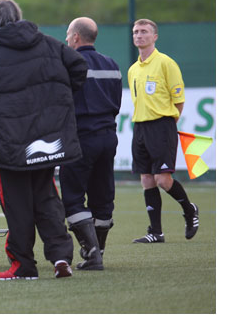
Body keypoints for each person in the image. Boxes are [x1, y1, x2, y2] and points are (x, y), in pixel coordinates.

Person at [0, 0, 86, 280]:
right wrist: (57, 102)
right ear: (19, 17)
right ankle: (61, 257)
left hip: (9, 142)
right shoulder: (48, 43)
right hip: (45, 139)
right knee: (47, 198)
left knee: (17, 206)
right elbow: (79, 66)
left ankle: (23, 265)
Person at [59, 17, 122, 271]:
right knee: (103, 197)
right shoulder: (112, 64)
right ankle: (99, 251)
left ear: (76, 37)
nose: (66, 39)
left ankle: (92, 253)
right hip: (108, 137)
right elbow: (117, 102)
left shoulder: (69, 65)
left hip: (81, 138)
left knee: (72, 198)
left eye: (68, 34)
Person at [129, 18, 199, 243]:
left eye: (144, 31)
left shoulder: (166, 63)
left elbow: (179, 101)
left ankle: (189, 210)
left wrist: (167, 123)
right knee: (147, 179)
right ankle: (156, 232)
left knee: (162, 179)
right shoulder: (133, 69)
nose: (139, 35)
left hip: (162, 126)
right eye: (136, 32)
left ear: (155, 36)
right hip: (140, 127)